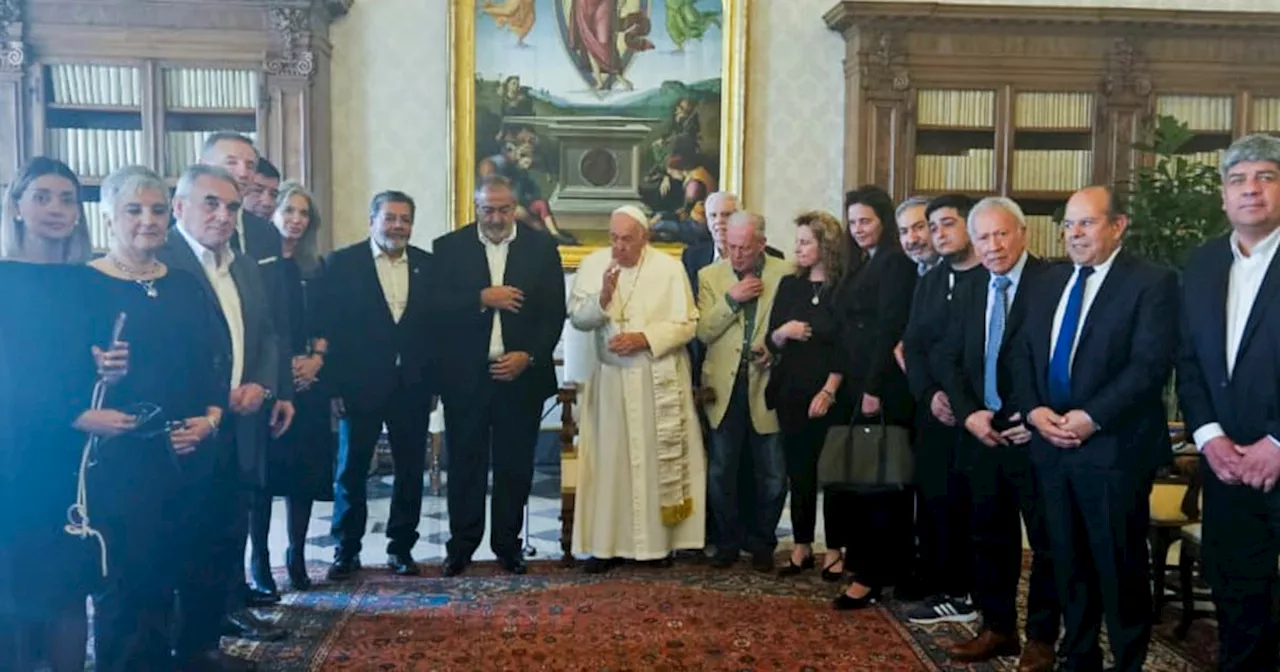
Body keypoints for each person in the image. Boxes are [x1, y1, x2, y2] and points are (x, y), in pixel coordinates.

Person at [1009, 185, 1178, 672]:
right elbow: (1021, 353)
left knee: (1118, 564)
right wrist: (1034, 410)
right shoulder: (1048, 280)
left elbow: (1148, 366)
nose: (1074, 233)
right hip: (1051, 445)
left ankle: (1128, 661)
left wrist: (1090, 418)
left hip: (1113, 448)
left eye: (1086, 223)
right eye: (1068, 224)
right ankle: (1078, 655)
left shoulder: (1152, 281)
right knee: (1067, 560)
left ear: (1118, 225)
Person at [86, 165, 226, 671]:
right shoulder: (86, 285)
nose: (148, 220)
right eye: (133, 209)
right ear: (108, 217)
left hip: (188, 451)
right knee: (126, 584)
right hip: (122, 459)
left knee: (176, 571)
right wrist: (98, 372)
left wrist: (210, 418)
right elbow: (62, 381)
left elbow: (214, 361)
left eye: (158, 210)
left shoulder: (185, 285)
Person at [159, 163, 293, 671]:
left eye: (231, 206)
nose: (222, 215)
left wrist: (264, 384)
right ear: (180, 207)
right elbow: (171, 353)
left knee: (223, 537)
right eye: (210, 203)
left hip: (241, 427)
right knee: (182, 544)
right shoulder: (164, 261)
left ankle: (203, 647)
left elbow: (266, 333)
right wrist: (221, 396)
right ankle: (173, 650)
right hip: (188, 429)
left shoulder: (239, 264)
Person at [0, 157, 120, 672]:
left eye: (67, 198)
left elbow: (94, 372)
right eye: (43, 196)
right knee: (17, 593)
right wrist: (72, 415)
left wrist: (113, 371)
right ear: (18, 207)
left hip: (79, 465)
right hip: (15, 455)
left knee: (72, 589)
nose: (55, 208)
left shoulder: (90, 283)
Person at [938, 197, 1059, 670]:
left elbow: (1063, 359)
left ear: (1023, 234)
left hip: (1034, 436)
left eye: (1002, 234)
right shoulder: (970, 289)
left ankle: (1043, 637)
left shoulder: (1052, 284)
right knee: (989, 536)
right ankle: (998, 628)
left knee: (1046, 541)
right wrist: (969, 414)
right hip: (983, 433)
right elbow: (948, 356)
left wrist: (1037, 415)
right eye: (984, 237)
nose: (993, 246)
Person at [1176, 133, 1280, 671]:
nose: (1251, 190)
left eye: (1265, 176)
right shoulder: (1201, 264)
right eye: (1237, 180)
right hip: (1227, 463)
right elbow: (1188, 361)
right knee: (1237, 593)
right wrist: (1209, 436)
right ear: (1222, 196)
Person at [430, 176, 565, 577]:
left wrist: (530, 356)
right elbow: (435, 309)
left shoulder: (541, 248)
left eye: (504, 209)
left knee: (515, 465)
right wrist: (480, 298)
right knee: (466, 464)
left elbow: (553, 314)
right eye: (488, 209)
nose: (496, 217)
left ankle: (508, 545)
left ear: (515, 208)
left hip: (519, 377)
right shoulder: (448, 247)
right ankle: (462, 545)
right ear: (476, 207)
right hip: (466, 377)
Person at [568, 205, 706, 572]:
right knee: (609, 465)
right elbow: (578, 319)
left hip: (654, 378)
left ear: (644, 237)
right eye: (613, 237)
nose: (618, 246)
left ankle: (657, 547)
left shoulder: (669, 269)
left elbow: (688, 325)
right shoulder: (595, 264)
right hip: (610, 384)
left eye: (627, 239)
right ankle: (605, 546)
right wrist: (601, 298)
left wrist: (644, 337)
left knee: (652, 463)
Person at [324, 191, 435, 580]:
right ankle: (346, 549)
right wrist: (334, 387)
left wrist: (432, 383)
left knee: (409, 471)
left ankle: (401, 548)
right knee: (352, 469)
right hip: (359, 385)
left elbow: (435, 332)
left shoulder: (426, 265)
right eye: (390, 218)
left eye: (405, 219)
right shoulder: (342, 264)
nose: (397, 226)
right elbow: (331, 328)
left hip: (412, 387)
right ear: (372, 220)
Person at [829, 185, 918, 610]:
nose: (858, 229)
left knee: (879, 486)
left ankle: (872, 574)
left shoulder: (896, 263)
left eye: (865, 220)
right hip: (855, 383)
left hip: (879, 388)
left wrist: (872, 389)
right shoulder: (863, 262)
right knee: (862, 481)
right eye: (852, 222)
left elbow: (889, 328)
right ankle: (874, 565)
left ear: (882, 221)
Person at [899, 193, 984, 619]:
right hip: (933, 410)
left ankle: (968, 593)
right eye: (933, 227)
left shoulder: (991, 276)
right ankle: (941, 587)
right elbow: (913, 345)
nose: (938, 234)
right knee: (934, 501)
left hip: (980, 416)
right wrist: (930, 394)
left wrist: (963, 405)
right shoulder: (931, 280)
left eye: (948, 224)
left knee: (972, 508)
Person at [248, 181, 335, 594]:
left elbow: (327, 323)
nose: (296, 221)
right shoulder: (256, 265)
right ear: (273, 215)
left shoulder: (315, 269)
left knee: (303, 474)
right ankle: (260, 560)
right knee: (265, 478)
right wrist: (281, 368)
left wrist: (316, 358)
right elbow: (259, 330)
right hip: (268, 381)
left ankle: (296, 554)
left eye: (304, 214)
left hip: (310, 382)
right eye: (289, 212)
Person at [696, 210, 789, 572]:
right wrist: (731, 299)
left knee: (772, 472)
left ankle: (763, 541)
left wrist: (775, 351)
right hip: (723, 386)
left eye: (745, 248)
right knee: (721, 470)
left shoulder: (786, 273)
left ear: (762, 245)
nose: (736, 255)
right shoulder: (709, 276)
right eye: (731, 247)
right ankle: (727, 542)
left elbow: (794, 327)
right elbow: (703, 331)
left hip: (767, 383)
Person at [764, 211, 848, 578]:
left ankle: (834, 549)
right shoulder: (789, 285)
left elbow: (848, 346)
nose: (797, 248)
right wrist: (785, 331)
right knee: (798, 473)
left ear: (825, 245)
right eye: (796, 241)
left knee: (832, 476)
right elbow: (771, 339)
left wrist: (829, 389)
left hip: (832, 392)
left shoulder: (844, 287)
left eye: (805, 242)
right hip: (791, 391)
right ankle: (801, 547)